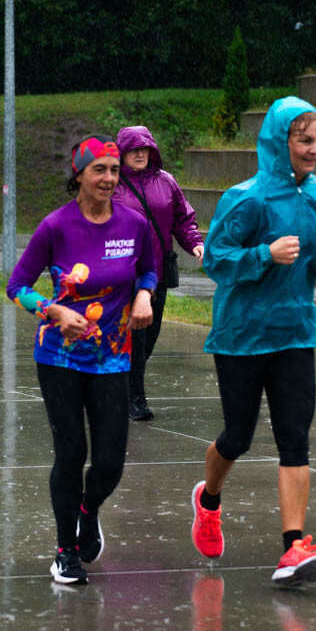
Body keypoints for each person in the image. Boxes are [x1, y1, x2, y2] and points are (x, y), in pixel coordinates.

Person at [189, 96, 316, 587]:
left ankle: (293, 547)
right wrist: (263, 254)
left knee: (295, 438)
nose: (314, 149)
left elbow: (311, 248)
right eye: (304, 139)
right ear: (281, 141)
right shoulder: (246, 197)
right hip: (242, 334)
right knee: (239, 436)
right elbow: (216, 260)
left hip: (296, 330)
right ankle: (208, 501)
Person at [6, 136, 157, 585]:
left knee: (110, 461)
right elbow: (17, 285)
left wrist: (145, 294)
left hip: (113, 357)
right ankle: (64, 551)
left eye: (114, 170)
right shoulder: (55, 227)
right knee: (71, 451)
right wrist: (52, 310)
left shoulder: (134, 225)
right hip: (60, 356)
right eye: (101, 170)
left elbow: (149, 267)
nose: (110, 178)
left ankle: (87, 511)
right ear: (79, 176)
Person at [112, 125, 204, 422]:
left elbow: (183, 219)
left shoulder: (166, 182)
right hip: (125, 276)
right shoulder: (112, 183)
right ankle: (135, 399)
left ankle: (117, 386)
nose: (140, 154)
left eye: (145, 148)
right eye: (133, 149)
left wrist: (196, 244)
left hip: (158, 273)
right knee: (135, 337)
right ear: (122, 153)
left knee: (149, 336)